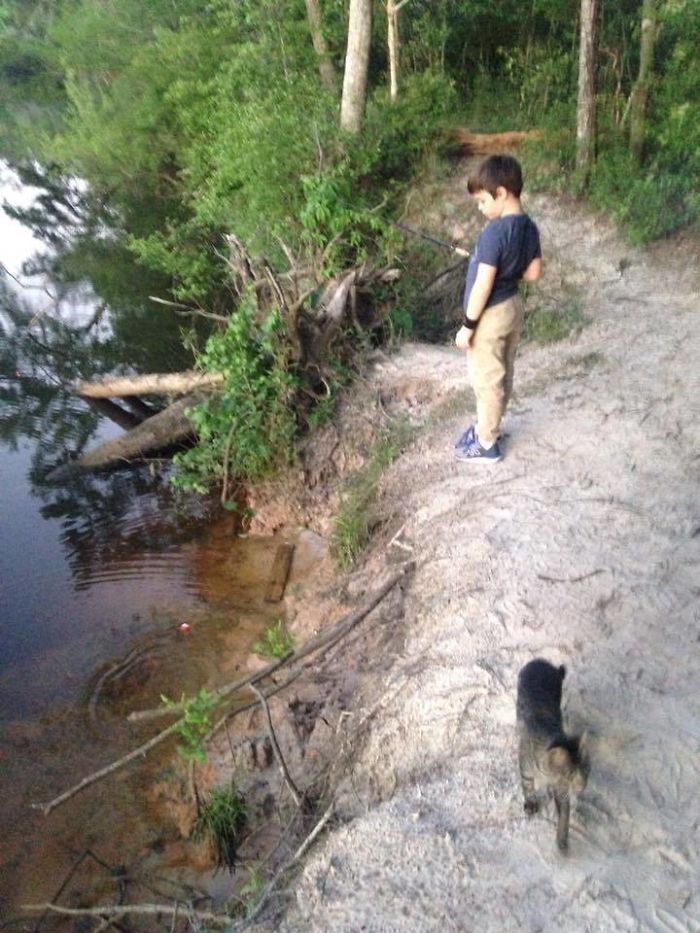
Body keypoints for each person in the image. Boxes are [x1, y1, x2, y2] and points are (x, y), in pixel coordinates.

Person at [454, 154, 542, 463]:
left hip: (490, 315)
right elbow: (533, 274)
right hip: (513, 308)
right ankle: (489, 427)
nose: (481, 209)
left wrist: (468, 326)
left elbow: (482, 285)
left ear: (501, 193)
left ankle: (487, 443)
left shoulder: (494, 232)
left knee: (486, 378)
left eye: (481, 201)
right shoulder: (529, 227)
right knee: (503, 370)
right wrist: (507, 266)